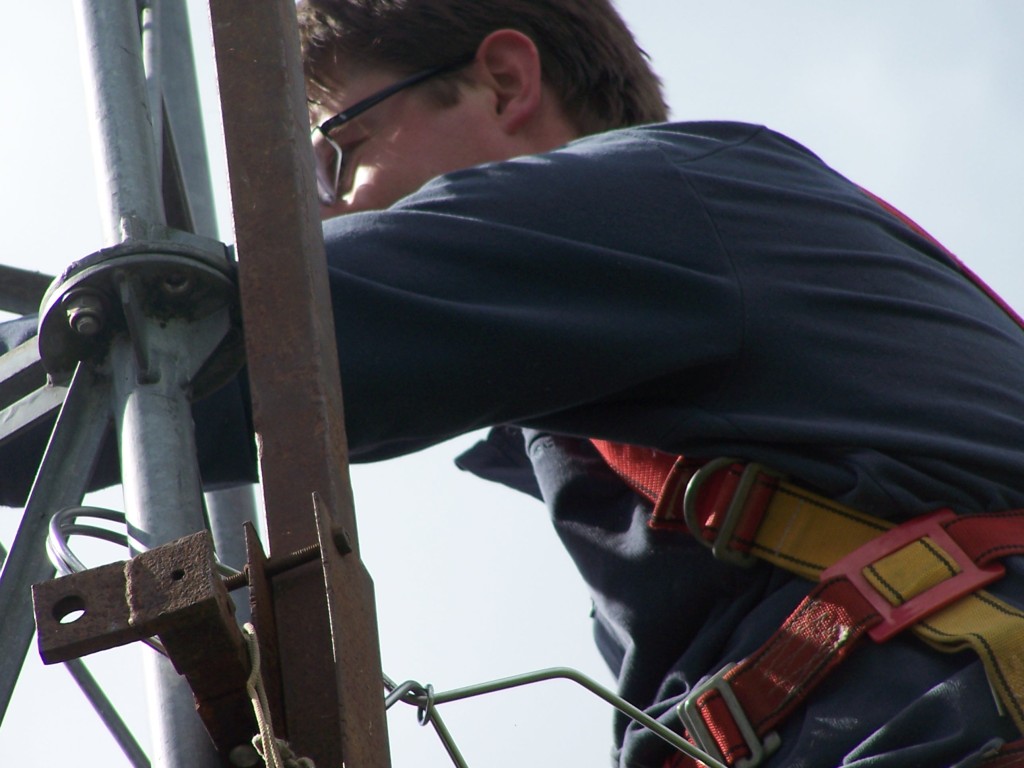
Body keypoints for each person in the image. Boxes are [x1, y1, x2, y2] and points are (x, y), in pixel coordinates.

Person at [295, 1, 1024, 767]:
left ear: (505, 85)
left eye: (339, 153)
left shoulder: (666, 195)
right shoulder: (629, 395)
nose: (326, 210)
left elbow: (268, 336)